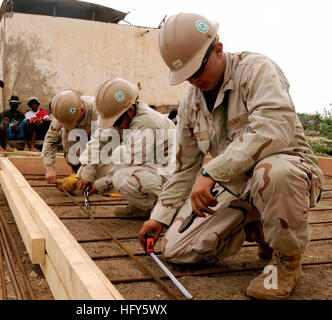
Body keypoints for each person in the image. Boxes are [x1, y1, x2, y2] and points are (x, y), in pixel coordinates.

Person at [138, 12, 324, 300]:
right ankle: (257, 224)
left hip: (287, 171)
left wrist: (210, 172)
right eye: (187, 76)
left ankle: (286, 263)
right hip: (236, 183)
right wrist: (160, 218)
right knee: (176, 249)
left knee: (273, 173)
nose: (194, 80)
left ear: (218, 49)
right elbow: (184, 168)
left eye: (198, 71)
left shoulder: (257, 70)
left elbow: (274, 128)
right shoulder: (191, 103)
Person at [77, 78, 175, 216]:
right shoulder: (122, 114)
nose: (115, 127)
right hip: (152, 163)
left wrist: (99, 185)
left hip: (170, 172)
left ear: (129, 111)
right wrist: (85, 173)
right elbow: (98, 139)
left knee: (121, 178)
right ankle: (143, 206)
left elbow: (130, 161)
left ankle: (167, 207)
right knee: (119, 154)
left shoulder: (144, 124)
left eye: (116, 123)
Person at [41, 90, 98, 190]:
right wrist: (50, 167)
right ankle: (77, 174)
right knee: (66, 133)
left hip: (102, 143)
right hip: (84, 141)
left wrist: (85, 174)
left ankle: (95, 178)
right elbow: (50, 140)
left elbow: (99, 146)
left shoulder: (97, 111)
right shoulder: (63, 113)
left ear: (82, 111)